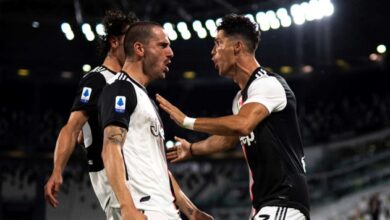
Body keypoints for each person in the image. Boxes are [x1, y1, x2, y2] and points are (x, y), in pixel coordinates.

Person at [156, 14, 310, 220]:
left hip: (284, 202)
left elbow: (243, 125)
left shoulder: (268, 84)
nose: (212, 52)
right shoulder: (240, 98)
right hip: (266, 206)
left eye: (218, 43)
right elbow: (227, 139)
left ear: (237, 47)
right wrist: (192, 149)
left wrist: (187, 121)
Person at [99, 21, 213, 220]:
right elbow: (110, 146)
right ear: (139, 49)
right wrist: (127, 208)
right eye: (162, 45)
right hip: (143, 208)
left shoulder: (143, 97)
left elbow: (158, 166)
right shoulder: (120, 89)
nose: (170, 53)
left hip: (162, 209)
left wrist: (191, 211)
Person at [44, 10, 139, 219]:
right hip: (110, 173)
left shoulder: (126, 81)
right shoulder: (97, 80)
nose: (134, 45)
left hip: (131, 172)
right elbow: (72, 127)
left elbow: (81, 134)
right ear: (114, 42)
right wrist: (57, 170)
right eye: (129, 39)